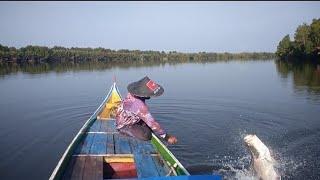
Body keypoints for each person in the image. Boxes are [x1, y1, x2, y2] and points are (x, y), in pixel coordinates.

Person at [115, 76, 177, 144]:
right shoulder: (138, 104)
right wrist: (167, 137)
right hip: (124, 125)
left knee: (150, 126)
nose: (150, 95)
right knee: (146, 135)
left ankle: (145, 127)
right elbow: (152, 122)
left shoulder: (132, 95)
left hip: (130, 118)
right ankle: (124, 131)